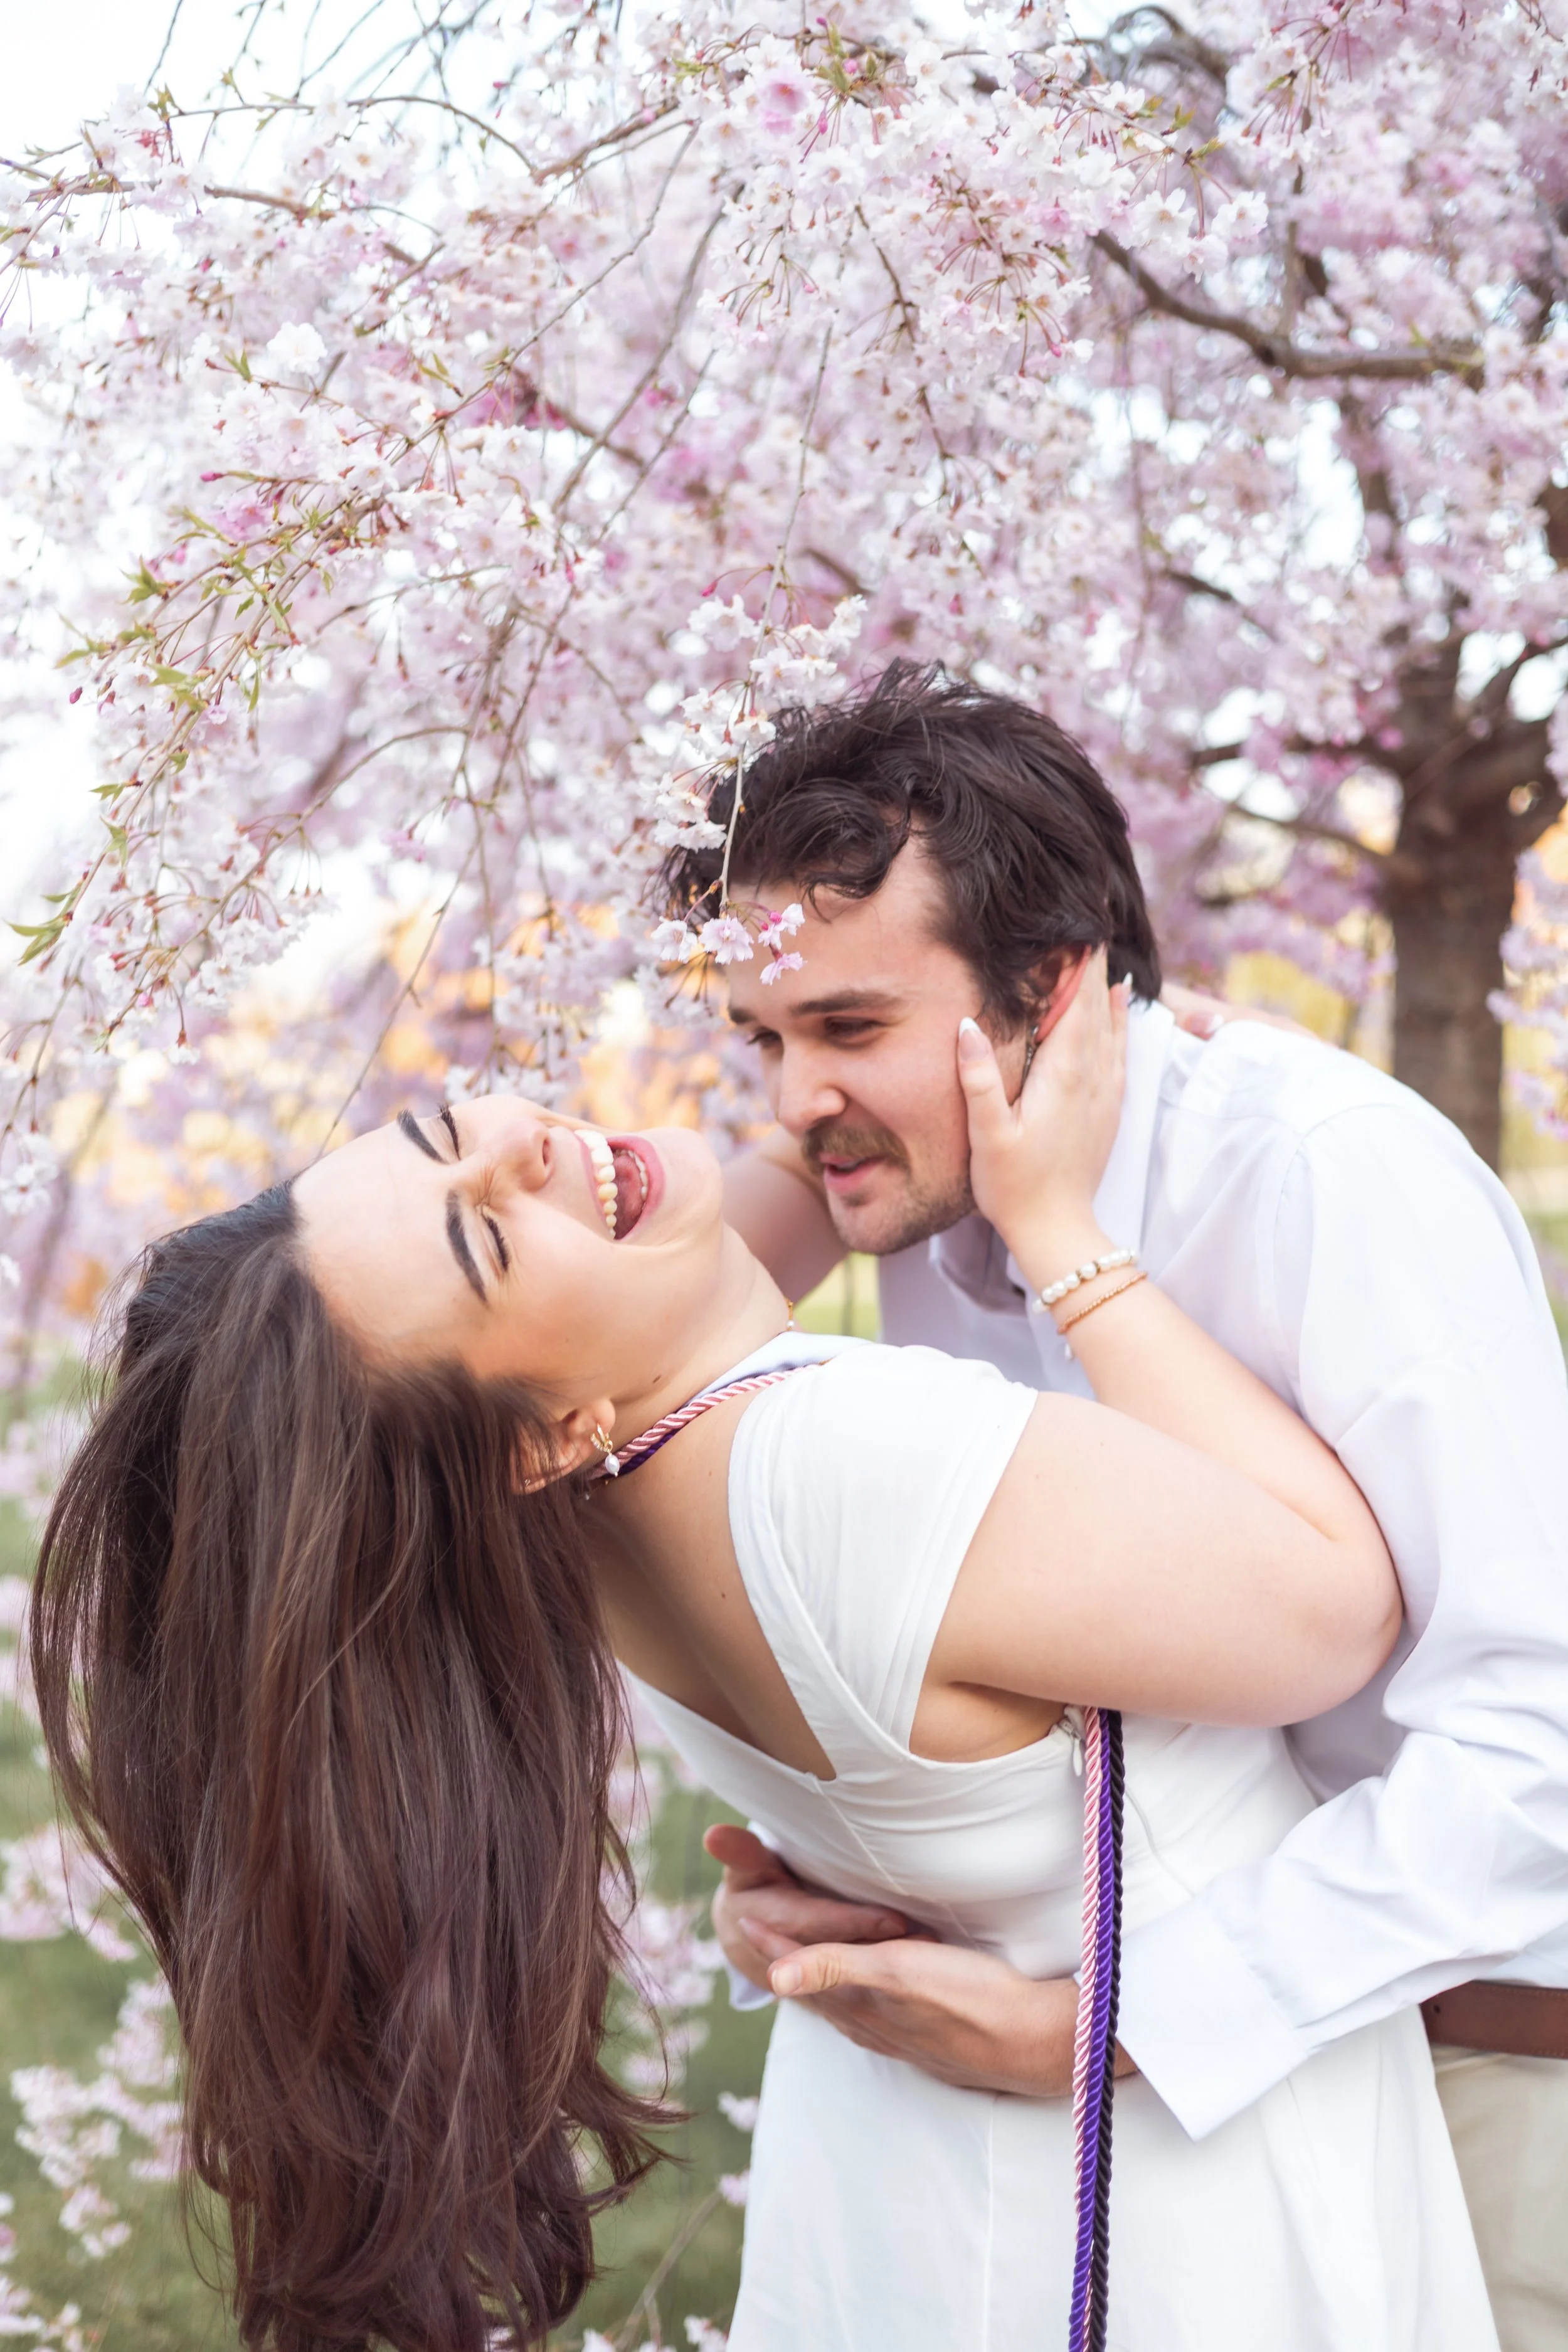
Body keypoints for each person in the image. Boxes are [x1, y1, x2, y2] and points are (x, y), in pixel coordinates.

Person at [31, 963, 1493, 2349]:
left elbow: (703, 1227)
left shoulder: (597, 1513)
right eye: (484, 1235)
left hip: (930, 2188)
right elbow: (1336, 1608)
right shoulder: (841, 1462)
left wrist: (942, 1060)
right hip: (1177, 2209)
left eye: (439, 1132)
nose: (525, 1148)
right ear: (541, 1434)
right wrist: (1057, 1230)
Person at [657, 661, 1568, 2352]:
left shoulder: (1323, 1176)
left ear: (1049, 987)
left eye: (847, 1024)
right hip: (1141, 2092)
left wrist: (1109, 2027)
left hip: (1472, 2058)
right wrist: (839, 1884)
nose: (789, 1101)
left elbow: (1531, 1741)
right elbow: (654, 1342)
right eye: (762, 1039)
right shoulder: (915, 1197)